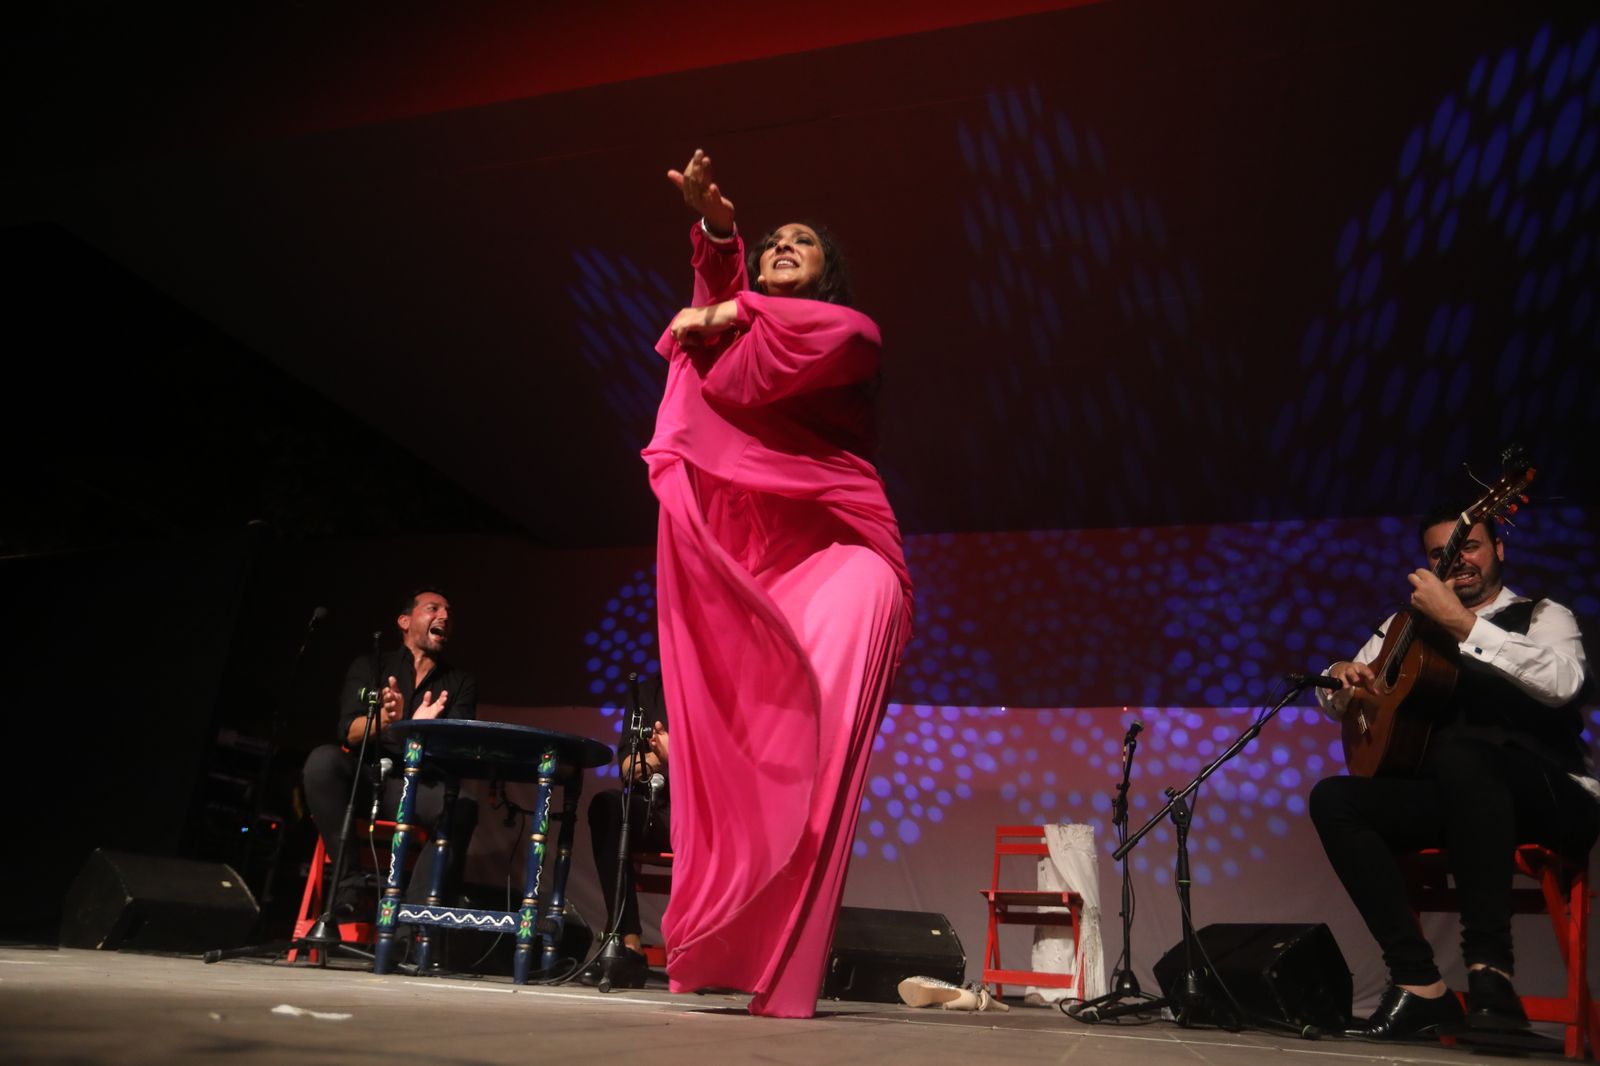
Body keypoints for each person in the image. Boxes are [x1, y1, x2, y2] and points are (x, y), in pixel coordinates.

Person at [641, 149, 914, 1017]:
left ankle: (789, 970)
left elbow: (841, 334)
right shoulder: (729, 346)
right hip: (769, 581)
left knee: (821, 757)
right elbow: (718, 342)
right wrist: (719, 235)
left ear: (828, 273)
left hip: (850, 563)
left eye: (804, 244)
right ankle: (738, 945)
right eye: (773, 243)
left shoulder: (840, 337)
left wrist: (729, 298)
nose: (784, 246)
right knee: (750, 745)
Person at [1309, 508, 1597, 1041]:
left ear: (1498, 552)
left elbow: (1564, 683)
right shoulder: (1406, 628)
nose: (1456, 559)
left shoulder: (1543, 615)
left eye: (1469, 546)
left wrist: (1465, 626)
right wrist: (1338, 680)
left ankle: (1492, 973)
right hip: (1465, 804)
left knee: (1462, 752)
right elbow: (1337, 692)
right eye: (1442, 552)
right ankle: (1419, 983)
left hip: (1556, 798)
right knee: (1335, 799)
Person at [301, 587, 480, 914]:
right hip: (365, 779)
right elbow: (349, 731)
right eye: (433, 608)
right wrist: (386, 720)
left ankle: (412, 916)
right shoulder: (371, 665)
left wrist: (420, 731)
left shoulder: (459, 682)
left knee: (463, 806)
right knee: (322, 761)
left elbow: (458, 747)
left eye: (448, 613)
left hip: (416, 784)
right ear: (404, 620)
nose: (444, 617)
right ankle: (348, 886)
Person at [580, 673, 672, 988]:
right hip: (654, 810)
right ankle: (627, 940)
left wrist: (672, 755)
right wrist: (664, 757)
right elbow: (628, 767)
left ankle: (698, 950)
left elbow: (719, 760)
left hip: (701, 816)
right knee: (607, 807)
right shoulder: (644, 691)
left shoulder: (715, 690)